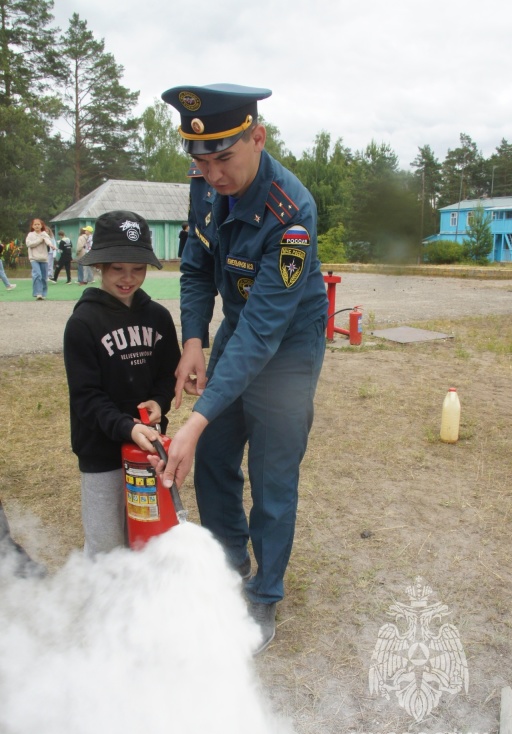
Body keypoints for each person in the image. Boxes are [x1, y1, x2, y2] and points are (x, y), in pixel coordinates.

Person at [158, 83, 328, 653]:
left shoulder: (292, 211)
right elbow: (196, 267)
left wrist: (196, 416)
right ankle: (228, 568)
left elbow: (264, 330)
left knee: (273, 478)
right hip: (238, 326)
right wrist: (192, 340)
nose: (212, 174)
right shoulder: (204, 188)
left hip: (287, 346)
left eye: (223, 158)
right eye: (200, 161)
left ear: (258, 136)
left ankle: (263, 596)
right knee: (214, 458)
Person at [63, 210, 181, 558]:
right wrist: (127, 427)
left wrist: (159, 401)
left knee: (150, 535)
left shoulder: (158, 317)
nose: (128, 278)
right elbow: (87, 398)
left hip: (149, 450)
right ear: (99, 266)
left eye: (138, 268)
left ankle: (142, 607)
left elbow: (166, 374)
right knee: (106, 544)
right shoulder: (82, 323)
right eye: (118, 268)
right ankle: (102, 606)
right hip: (101, 451)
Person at [26, 219, 55, 300]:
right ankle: (38, 293)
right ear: (32, 226)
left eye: (38, 224)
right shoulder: (30, 235)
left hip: (43, 258)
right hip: (33, 258)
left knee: (44, 277)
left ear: (42, 225)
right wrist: (39, 240)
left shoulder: (44, 234)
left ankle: (43, 293)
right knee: (37, 274)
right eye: (35, 224)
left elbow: (47, 240)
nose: (37, 226)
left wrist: (51, 245)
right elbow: (29, 244)